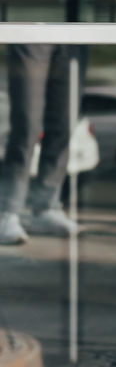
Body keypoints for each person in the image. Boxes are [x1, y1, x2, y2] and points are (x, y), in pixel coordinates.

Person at [0, 43, 89, 244]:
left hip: (73, 26)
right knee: (27, 127)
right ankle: (7, 211)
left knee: (64, 125)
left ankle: (46, 207)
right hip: (33, 29)